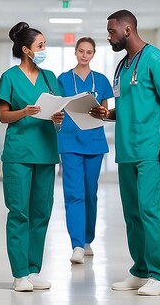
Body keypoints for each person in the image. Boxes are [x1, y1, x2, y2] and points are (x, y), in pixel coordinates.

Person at [90, 10, 160, 296]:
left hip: (152, 150)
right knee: (132, 214)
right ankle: (140, 271)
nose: (109, 36)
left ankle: (159, 276)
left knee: (151, 211)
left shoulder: (157, 60)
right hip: (127, 151)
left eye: (111, 31)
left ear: (127, 30)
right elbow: (130, 105)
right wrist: (107, 113)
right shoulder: (122, 66)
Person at [0, 22, 64, 292]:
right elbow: (3, 116)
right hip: (19, 154)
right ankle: (19, 273)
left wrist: (58, 118)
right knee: (19, 213)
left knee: (41, 213)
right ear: (26, 50)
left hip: (46, 152)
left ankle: (34, 269)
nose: (44, 50)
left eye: (45, 45)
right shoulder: (9, 77)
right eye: (40, 46)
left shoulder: (50, 78)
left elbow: (58, 113)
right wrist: (24, 112)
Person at [57, 37, 113, 264]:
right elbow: (57, 108)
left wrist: (101, 112)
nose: (84, 55)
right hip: (69, 141)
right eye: (81, 51)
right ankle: (77, 245)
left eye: (89, 52)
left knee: (90, 192)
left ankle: (88, 240)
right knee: (74, 193)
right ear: (75, 52)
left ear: (93, 54)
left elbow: (106, 113)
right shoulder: (62, 79)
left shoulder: (100, 80)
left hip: (93, 141)